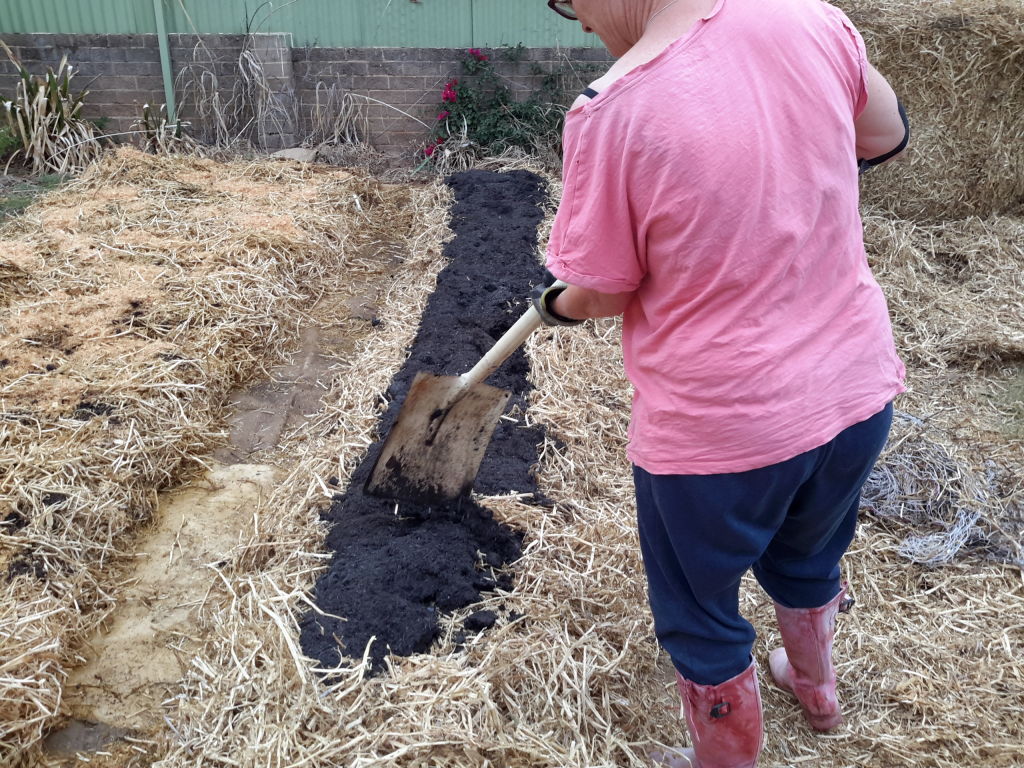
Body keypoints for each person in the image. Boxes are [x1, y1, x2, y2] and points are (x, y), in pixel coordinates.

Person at [533, 1, 910, 766]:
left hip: (721, 432)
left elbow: (603, 290)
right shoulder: (811, 17)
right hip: (853, 393)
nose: (573, 19)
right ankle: (817, 692)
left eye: (568, 0)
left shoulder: (616, 106)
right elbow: (885, 134)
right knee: (807, 557)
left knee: (699, 610)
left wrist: (555, 304)